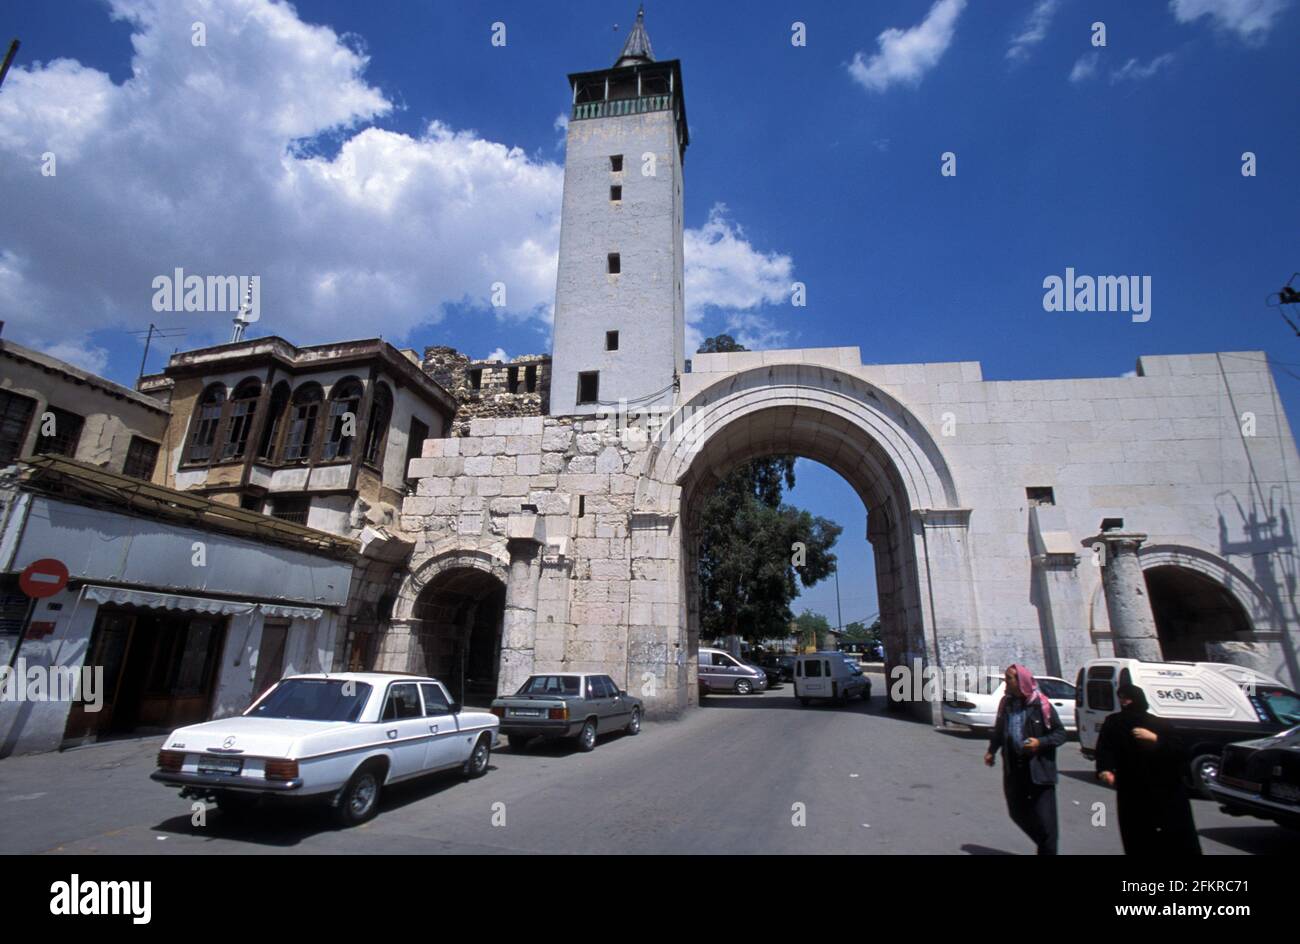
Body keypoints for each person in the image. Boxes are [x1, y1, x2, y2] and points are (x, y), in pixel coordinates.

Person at [1094, 683, 1202, 854]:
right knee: (1138, 837)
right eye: (1121, 697)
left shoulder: (1159, 723)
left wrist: (1156, 740)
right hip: (1132, 788)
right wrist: (1104, 769)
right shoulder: (1114, 723)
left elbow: (1180, 752)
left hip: (1165, 789)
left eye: (1127, 697)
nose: (1124, 701)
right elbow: (1105, 749)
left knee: (1174, 838)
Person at [984, 664, 1067, 854]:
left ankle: (1046, 848)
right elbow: (999, 729)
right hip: (1014, 767)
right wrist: (991, 751)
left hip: (1038, 770)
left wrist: (1040, 742)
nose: (1006, 682)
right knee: (1017, 812)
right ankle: (1044, 843)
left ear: (1020, 681)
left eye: (1009, 678)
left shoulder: (1041, 706)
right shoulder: (1006, 704)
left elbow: (1060, 734)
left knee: (1047, 820)